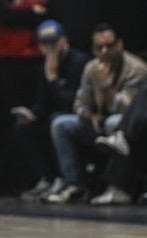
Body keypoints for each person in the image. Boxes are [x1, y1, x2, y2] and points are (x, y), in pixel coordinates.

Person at [45, 23, 147, 203]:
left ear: (120, 45)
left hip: (128, 127)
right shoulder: (91, 68)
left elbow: (131, 111)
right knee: (61, 124)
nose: (104, 51)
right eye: (99, 47)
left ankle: (117, 186)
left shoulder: (136, 69)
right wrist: (90, 116)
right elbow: (79, 103)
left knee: (113, 122)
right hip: (97, 123)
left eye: (109, 46)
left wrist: (106, 86)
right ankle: (74, 185)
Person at [12, 20, 89, 200]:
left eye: (53, 42)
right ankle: (47, 178)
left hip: (78, 116)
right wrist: (32, 115)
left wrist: (53, 79)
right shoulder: (45, 66)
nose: (49, 48)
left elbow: (73, 102)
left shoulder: (80, 62)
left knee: (56, 121)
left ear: (64, 41)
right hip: (55, 116)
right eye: (44, 43)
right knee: (24, 128)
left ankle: (69, 180)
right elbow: (43, 103)